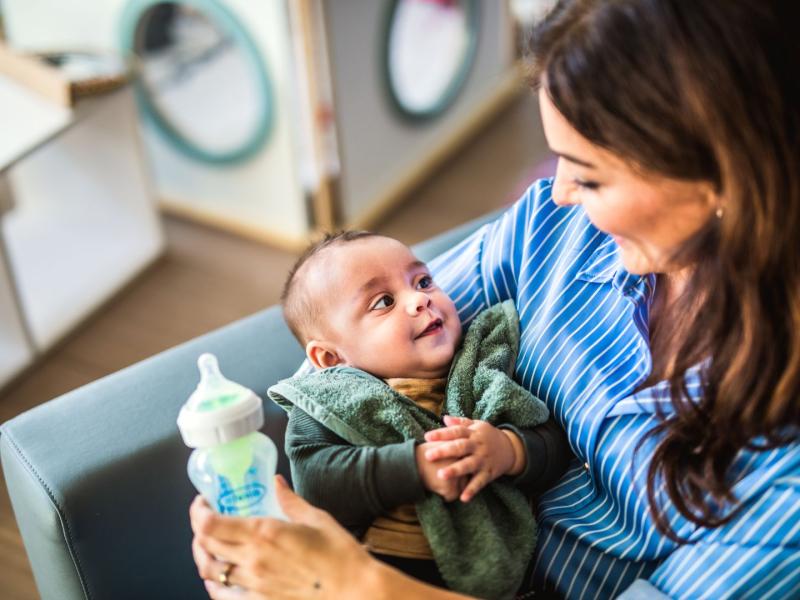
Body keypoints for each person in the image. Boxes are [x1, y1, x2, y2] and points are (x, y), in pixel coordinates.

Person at [190, 0, 800, 598]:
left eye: (588, 173)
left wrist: (349, 583)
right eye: (556, 155)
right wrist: (274, 538)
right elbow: (345, 353)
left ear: (724, 174)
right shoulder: (554, 233)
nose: (557, 191)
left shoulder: (786, 479)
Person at [267, 231, 569, 597]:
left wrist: (507, 450)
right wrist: (417, 467)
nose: (419, 299)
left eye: (423, 281)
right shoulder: (330, 402)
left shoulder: (481, 366)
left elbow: (552, 443)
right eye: (384, 301)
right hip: (366, 576)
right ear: (331, 359)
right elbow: (317, 482)